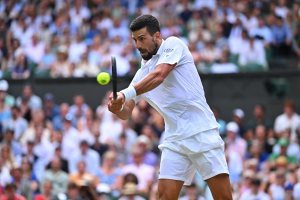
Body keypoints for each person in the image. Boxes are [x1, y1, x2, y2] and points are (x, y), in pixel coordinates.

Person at [107, 14, 232, 200]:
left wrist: (125, 94)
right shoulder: (141, 74)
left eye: (142, 39)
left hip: (202, 131)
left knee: (223, 197)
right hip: (174, 139)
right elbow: (126, 113)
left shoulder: (174, 44)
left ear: (157, 36)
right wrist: (116, 108)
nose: (138, 46)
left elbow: (160, 75)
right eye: (134, 40)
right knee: (164, 196)